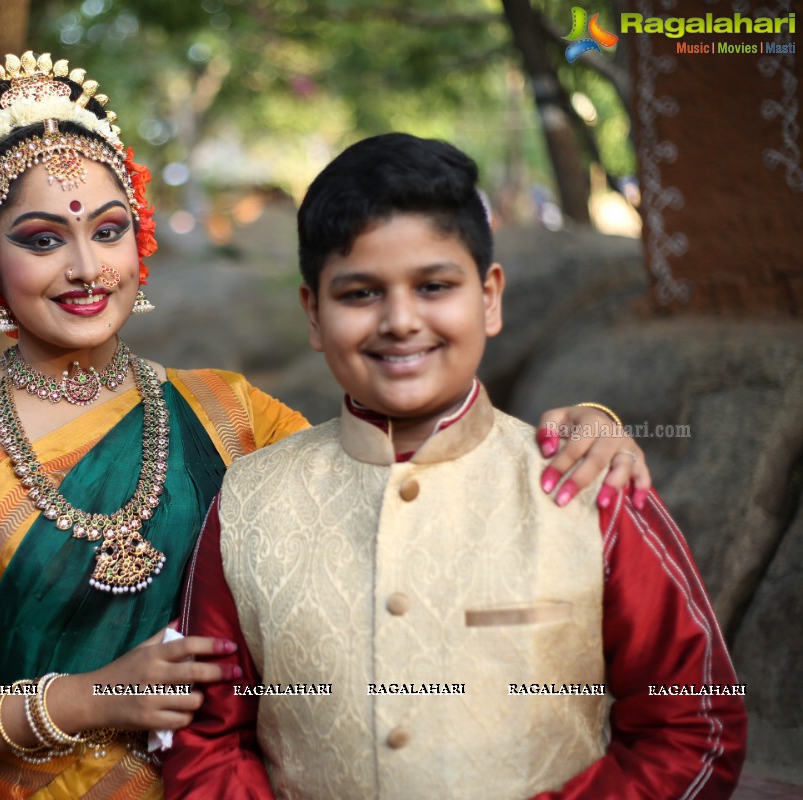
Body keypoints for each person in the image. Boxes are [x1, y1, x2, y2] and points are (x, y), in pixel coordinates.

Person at [0, 53, 656, 800]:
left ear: (137, 242)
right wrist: (91, 695)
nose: (86, 268)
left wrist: (584, 426)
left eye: (108, 230)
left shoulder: (229, 411)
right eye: (43, 240)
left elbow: (399, 466)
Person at [161, 133, 747, 799]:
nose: (401, 320)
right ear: (314, 315)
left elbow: (693, 724)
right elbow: (206, 739)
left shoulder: (588, 485)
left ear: (490, 297)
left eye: (434, 286)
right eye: (359, 294)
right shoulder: (249, 502)